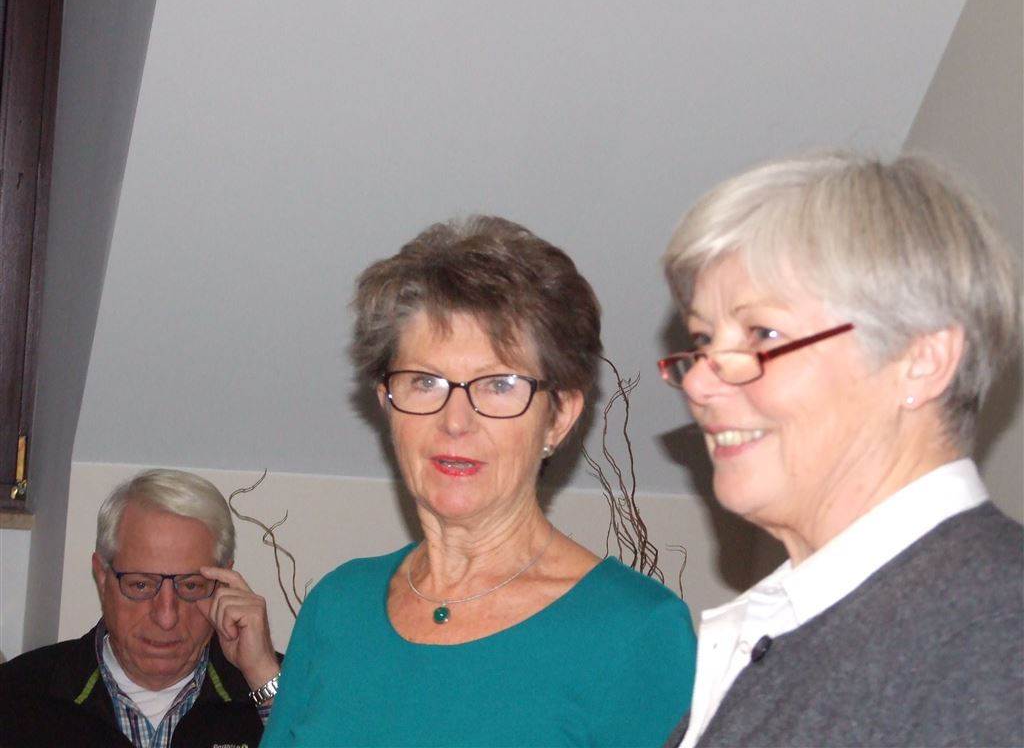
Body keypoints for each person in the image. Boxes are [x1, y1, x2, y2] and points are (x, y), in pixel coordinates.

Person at [263, 216, 697, 746]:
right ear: (388, 404)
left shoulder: (637, 632)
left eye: (499, 385)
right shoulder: (337, 607)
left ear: (559, 417)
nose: (455, 421)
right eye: (426, 381)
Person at [657, 150, 1023, 748]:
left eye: (762, 334)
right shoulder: (781, 626)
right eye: (702, 339)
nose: (698, 381)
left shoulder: (998, 636)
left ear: (921, 360)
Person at [0, 469, 282, 748]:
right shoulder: (19, 695)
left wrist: (264, 680)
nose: (166, 617)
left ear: (224, 584)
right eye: (141, 585)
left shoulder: (270, 690)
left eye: (191, 586)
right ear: (102, 577)